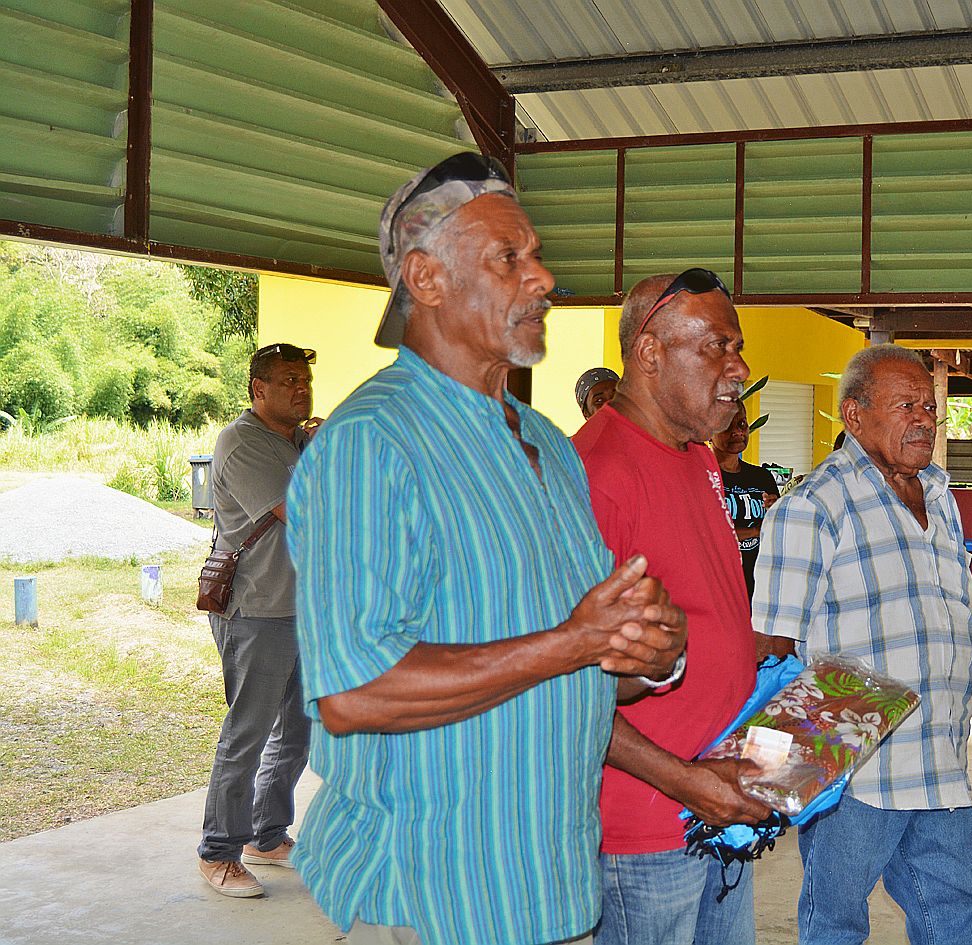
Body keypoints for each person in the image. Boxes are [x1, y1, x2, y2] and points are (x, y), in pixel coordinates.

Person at [286, 152, 687, 945]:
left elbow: (574, 676)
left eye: (535, 256)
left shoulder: (545, 443)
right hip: (433, 898)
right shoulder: (373, 442)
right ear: (426, 279)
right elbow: (355, 692)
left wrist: (644, 652)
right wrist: (572, 641)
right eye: (511, 257)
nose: (541, 279)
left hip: (551, 887)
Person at [754, 344, 972, 945]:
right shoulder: (812, 507)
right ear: (854, 416)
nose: (924, 419)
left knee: (958, 911)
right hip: (856, 770)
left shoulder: (939, 496)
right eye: (905, 405)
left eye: (931, 407)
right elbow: (771, 651)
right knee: (835, 923)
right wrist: (765, 774)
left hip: (941, 760)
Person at [572, 269, 773, 945]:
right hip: (646, 829)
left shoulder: (699, 458)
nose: (738, 366)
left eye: (736, 347)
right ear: (650, 352)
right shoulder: (598, 473)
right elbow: (564, 692)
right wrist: (688, 783)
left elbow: (706, 611)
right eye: (715, 346)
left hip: (717, 805)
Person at [197, 342, 321, 898]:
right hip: (257, 612)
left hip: (301, 611)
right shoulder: (241, 442)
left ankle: (266, 835)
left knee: (295, 730)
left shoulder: (295, 441)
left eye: (306, 380)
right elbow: (303, 511)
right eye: (289, 379)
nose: (302, 388)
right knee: (247, 733)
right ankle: (218, 850)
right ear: (258, 389)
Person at [710, 401, 779, 596]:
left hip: (758, 585)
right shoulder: (701, 476)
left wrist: (776, 510)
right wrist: (755, 531)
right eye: (726, 425)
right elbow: (707, 534)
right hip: (718, 586)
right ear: (709, 431)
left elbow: (776, 531)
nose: (736, 431)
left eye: (742, 424)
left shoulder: (762, 477)